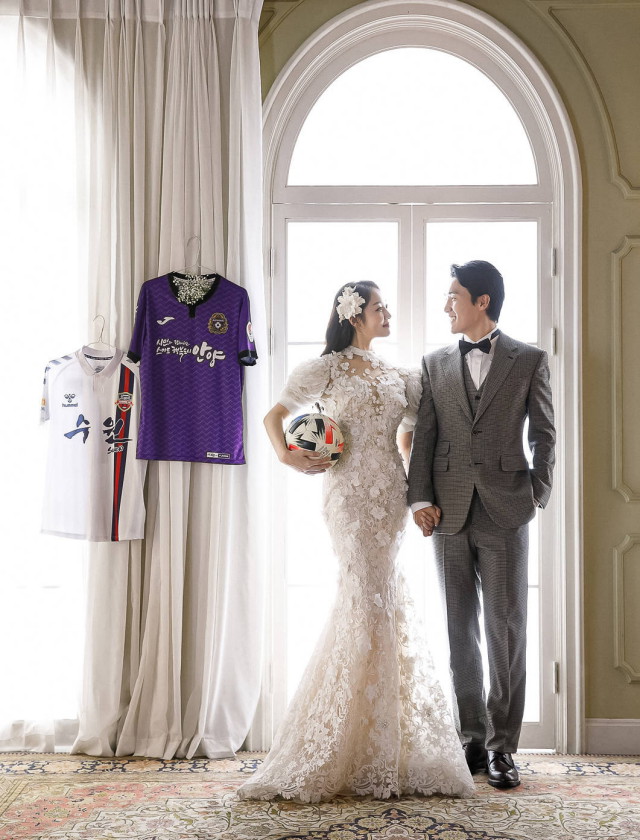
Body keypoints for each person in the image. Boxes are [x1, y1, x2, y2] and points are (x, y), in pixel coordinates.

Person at [237, 282, 474, 803]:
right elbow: (274, 417)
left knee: (381, 601)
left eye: (386, 306)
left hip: (389, 497)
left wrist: (417, 491)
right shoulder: (326, 369)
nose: (388, 312)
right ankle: (342, 738)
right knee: (364, 600)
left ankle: (379, 739)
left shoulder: (400, 376)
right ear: (353, 315)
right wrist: (287, 455)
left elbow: (411, 434)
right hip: (347, 496)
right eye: (378, 307)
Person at [407, 260, 555, 789]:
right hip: (447, 512)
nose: (446, 305)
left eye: (454, 295)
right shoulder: (434, 364)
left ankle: (502, 746)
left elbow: (544, 433)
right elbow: (424, 436)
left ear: (482, 301)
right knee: (458, 629)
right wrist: (419, 498)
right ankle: (470, 738)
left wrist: (536, 493)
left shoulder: (529, 359)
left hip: (507, 509)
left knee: (505, 628)